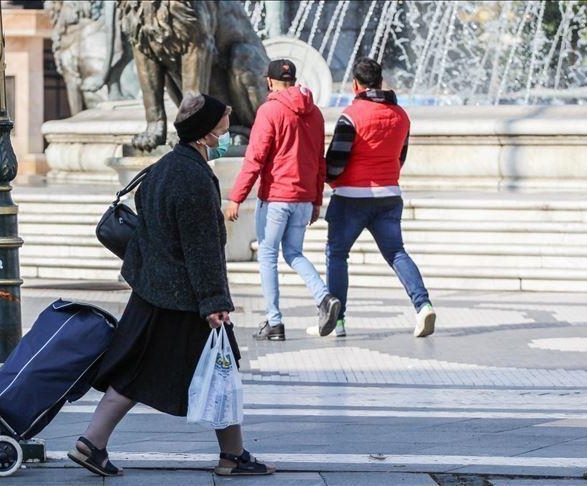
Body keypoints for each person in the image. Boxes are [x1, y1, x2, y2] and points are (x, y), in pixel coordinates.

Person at [68, 92, 274, 477]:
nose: (227, 135)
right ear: (205, 135)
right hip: (184, 297)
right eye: (222, 129)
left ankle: (93, 442)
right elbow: (201, 247)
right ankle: (231, 457)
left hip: (155, 289)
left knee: (149, 369)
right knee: (220, 366)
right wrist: (214, 301)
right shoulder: (193, 177)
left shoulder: (163, 167)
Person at [315, 57, 436, 339]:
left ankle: (339, 321)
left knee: (337, 254)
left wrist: (330, 179)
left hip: (351, 198)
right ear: (381, 82)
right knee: (396, 253)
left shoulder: (351, 115)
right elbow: (400, 156)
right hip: (389, 196)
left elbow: (336, 160)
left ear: (355, 84)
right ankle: (423, 305)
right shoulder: (401, 115)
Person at [225, 59, 340, 341]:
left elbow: (255, 158)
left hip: (276, 197)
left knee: (267, 255)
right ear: (294, 80)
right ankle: (324, 298)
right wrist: (315, 201)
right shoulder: (315, 114)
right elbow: (318, 161)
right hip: (302, 199)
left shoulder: (270, 110)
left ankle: (274, 322)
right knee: (294, 253)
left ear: (269, 82)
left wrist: (236, 197)